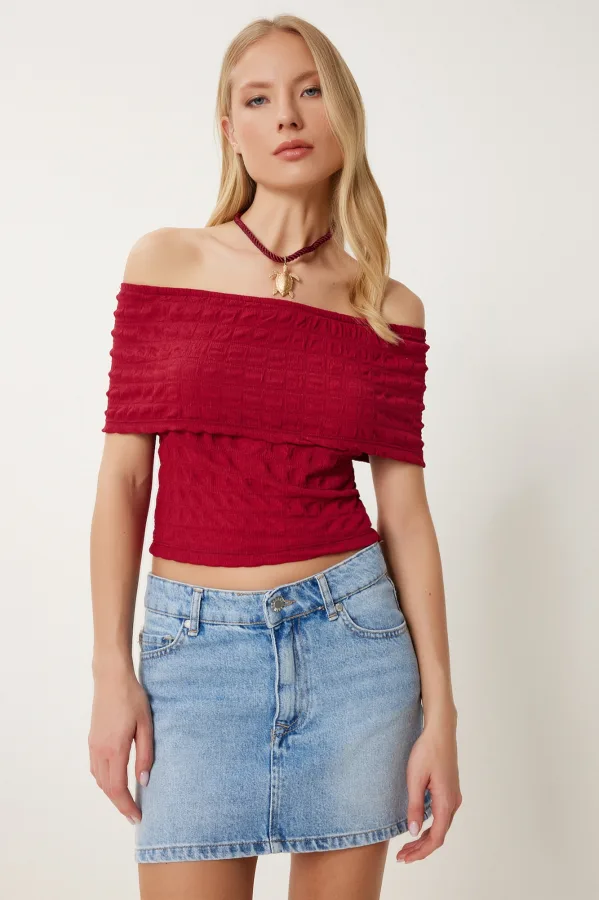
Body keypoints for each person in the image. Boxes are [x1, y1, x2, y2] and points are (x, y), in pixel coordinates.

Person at [89, 14, 461, 900]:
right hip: (193, 658)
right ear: (230, 131)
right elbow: (125, 479)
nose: (287, 116)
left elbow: (405, 514)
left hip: (353, 653)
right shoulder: (166, 261)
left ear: (344, 115)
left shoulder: (386, 308)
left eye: (309, 91)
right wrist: (111, 670)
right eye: (258, 99)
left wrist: (441, 712)